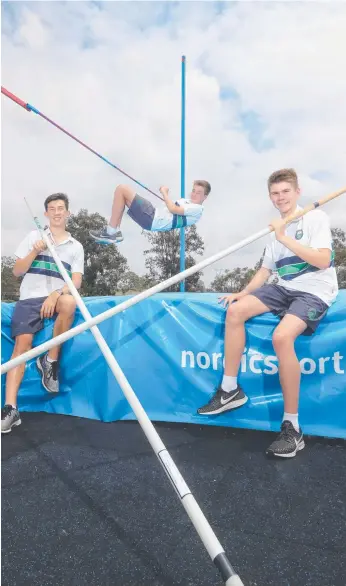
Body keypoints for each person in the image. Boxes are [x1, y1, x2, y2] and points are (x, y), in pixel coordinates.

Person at [197, 168, 338, 458]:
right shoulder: (274, 232)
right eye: (275, 193)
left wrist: (285, 237)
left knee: (282, 337)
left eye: (285, 191)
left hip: (314, 289)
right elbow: (266, 270)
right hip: (283, 287)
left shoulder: (315, 219)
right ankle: (230, 390)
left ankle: (293, 427)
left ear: (297, 192)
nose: (280, 197)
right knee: (235, 311)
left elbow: (323, 261)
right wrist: (244, 292)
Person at [1, 193, 84, 434]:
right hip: (29, 299)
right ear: (46, 214)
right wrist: (34, 252)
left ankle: (49, 360)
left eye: (61, 208)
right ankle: (10, 408)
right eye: (52, 208)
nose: (57, 212)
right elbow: (17, 271)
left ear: (67, 213)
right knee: (21, 347)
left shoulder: (75, 246)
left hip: (57, 296)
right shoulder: (33, 237)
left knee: (69, 302)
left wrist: (56, 293)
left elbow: (76, 281)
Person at [89, 180, 211, 245]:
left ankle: (111, 232)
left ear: (205, 197)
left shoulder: (198, 209)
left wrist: (164, 193)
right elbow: (171, 208)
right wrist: (166, 198)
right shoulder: (188, 201)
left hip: (152, 218)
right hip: (152, 215)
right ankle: (114, 231)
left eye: (198, 193)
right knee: (123, 197)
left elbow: (173, 209)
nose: (194, 194)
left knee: (122, 189)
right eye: (193, 190)